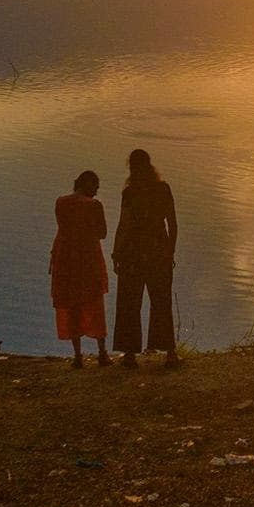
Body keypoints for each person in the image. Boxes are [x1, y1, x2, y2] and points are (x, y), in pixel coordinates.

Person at [111, 149, 179, 366]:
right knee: (162, 302)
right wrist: (170, 251)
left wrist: (116, 253)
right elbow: (173, 223)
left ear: (131, 167)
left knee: (129, 303)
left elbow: (124, 225)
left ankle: (129, 355)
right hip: (159, 251)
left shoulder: (130, 193)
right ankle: (170, 353)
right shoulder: (163, 189)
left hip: (133, 253)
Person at [51, 170, 112, 368]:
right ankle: (102, 353)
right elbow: (102, 233)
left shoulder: (60, 202)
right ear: (87, 184)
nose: (96, 191)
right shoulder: (94, 205)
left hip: (65, 258)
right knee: (94, 302)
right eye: (95, 187)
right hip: (87, 259)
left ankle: (78, 357)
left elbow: (63, 227)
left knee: (72, 305)